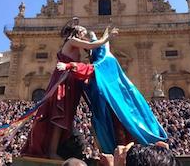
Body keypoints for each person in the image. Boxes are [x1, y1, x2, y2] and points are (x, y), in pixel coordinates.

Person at [21, 17, 118, 159]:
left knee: (64, 117)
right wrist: (107, 38)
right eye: (83, 32)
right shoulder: (71, 40)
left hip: (70, 81)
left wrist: (104, 34)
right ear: (76, 31)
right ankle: (52, 151)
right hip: (64, 80)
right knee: (59, 116)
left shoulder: (75, 43)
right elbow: (92, 46)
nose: (85, 34)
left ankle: (54, 150)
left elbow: (92, 49)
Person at [57, 30, 168, 154]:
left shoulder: (106, 60)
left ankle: (128, 153)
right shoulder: (102, 60)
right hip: (109, 103)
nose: (89, 55)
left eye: (90, 52)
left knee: (122, 128)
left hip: (116, 104)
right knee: (115, 131)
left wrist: (70, 66)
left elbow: (93, 69)